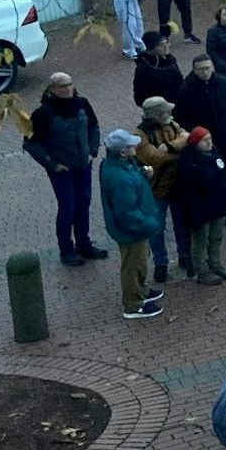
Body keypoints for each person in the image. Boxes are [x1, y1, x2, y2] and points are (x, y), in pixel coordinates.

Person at [25, 72, 107, 267]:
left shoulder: (82, 104)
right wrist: (54, 165)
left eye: (70, 84)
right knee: (67, 208)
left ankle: (84, 244)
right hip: (62, 170)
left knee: (84, 203)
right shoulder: (42, 114)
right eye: (63, 86)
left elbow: (94, 128)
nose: (68, 88)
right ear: (53, 89)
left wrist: (92, 152)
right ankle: (66, 250)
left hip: (83, 164)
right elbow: (31, 144)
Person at [99, 129, 163, 319]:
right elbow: (127, 213)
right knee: (132, 265)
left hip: (132, 228)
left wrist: (142, 172)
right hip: (131, 230)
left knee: (140, 261)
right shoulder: (119, 178)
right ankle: (133, 305)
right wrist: (150, 223)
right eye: (130, 145)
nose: (135, 146)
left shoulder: (120, 165)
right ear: (122, 151)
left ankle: (140, 291)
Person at [135, 96, 190, 281]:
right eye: (166, 110)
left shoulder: (172, 124)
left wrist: (169, 147)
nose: (171, 113)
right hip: (156, 188)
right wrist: (178, 150)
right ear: (157, 114)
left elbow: (187, 137)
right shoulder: (140, 135)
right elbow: (155, 158)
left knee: (182, 223)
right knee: (156, 228)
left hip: (178, 184)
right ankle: (161, 263)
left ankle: (184, 255)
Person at [174, 127, 226, 285]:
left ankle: (216, 264)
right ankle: (202, 270)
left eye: (210, 139)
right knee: (201, 241)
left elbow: (223, 179)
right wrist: (194, 215)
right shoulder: (188, 162)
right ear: (196, 142)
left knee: (216, 237)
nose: (209, 142)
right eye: (205, 140)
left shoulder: (215, 153)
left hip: (218, 205)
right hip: (201, 209)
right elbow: (188, 192)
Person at [132, 31, 183, 107]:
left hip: (176, 105)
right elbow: (140, 92)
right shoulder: (145, 67)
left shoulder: (170, 61)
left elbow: (180, 81)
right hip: (157, 109)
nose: (166, 46)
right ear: (152, 49)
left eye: (166, 42)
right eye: (161, 45)